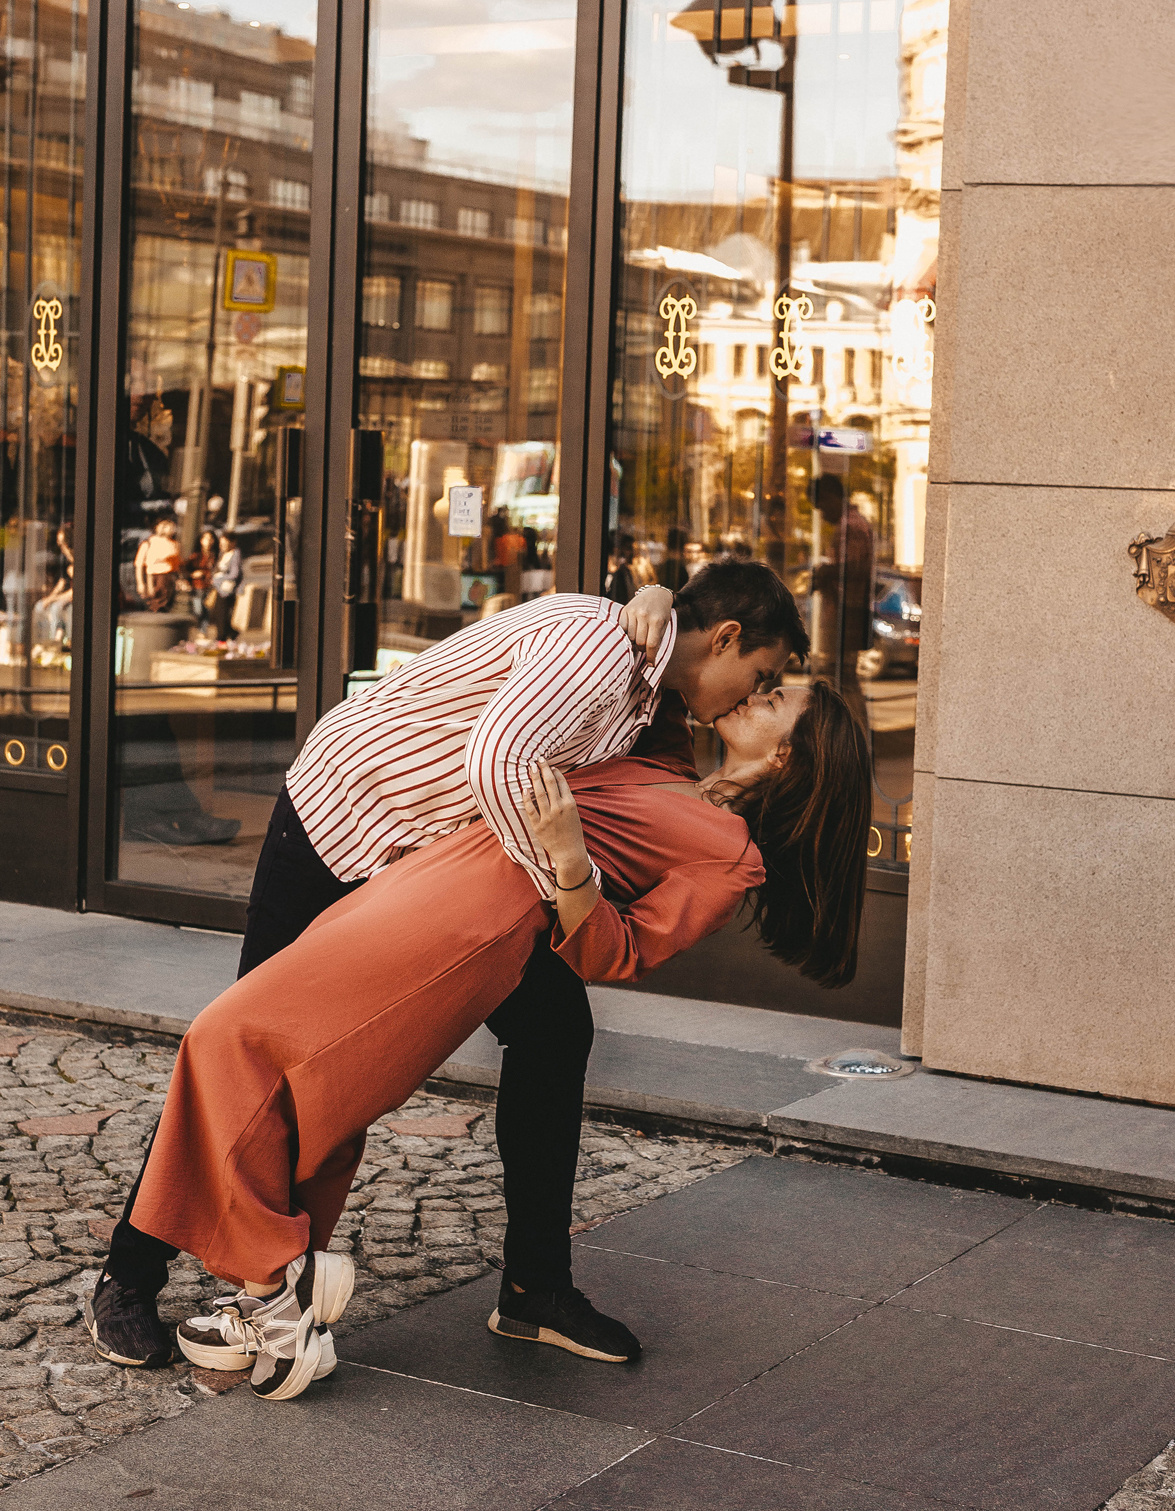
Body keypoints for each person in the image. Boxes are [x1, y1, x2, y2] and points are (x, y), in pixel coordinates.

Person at [86, 568, 808, 1370]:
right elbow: (498, 761)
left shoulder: (648, 684)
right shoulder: (606, 649)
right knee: (247, 1045)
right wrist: (560, 876)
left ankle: (533, 1288)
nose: (752, 693)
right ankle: (131, 1273)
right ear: (727, 637)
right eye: (761, 673)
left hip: (435, 869)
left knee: (554, 1030)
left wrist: (657, 592)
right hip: (342, 827)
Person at [811, 474, 875, 723]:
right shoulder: (853, 524)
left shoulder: (851, 527)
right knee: (841, 678)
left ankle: (855, 733)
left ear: (831, 498)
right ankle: (854, 732)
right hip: (847, 612)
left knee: (841, 678)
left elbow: (854, 569)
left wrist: (825, 572)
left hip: (847, 613)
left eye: (821, 506)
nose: (822, 514)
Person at [33, 524, 73, 647]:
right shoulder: (67, 562)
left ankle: (56, 641)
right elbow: (62, 583)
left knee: (56, 607)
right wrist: (49, 599)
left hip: (71, 600)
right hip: (65, 598)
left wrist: (53, 599)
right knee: (40, 606)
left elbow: (74, 592)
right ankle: (42, 641)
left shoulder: (77, 563)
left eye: (62, 543)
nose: (61, 547)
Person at [134, 519, 180, 613]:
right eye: (164, 525)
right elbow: (139, 564)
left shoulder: (174, 544)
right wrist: (140, 583)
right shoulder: (148, 543)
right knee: (154, 604)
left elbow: (177, 564)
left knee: (166, 605)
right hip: (152, 577)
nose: (168, 528)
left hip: (169, 578)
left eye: (171, 526)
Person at [209, 531, 242, 640]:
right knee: (217, 614)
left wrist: (218, 578)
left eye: (224, 543)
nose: (221, 546)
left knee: (222, 614)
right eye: (221, 543)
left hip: (227, 589)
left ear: (232, 543)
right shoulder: (222, 554)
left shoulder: (235, 554)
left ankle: (221, 637)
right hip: (219, 588)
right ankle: (230, 633)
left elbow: (234, 574)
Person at [185, 528, 219, 627]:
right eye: (206, 538)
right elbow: (186, 569)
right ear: (201, 540)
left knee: (207, 609)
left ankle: (203, 630)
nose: (208, 541)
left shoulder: (215, 555)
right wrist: (193, 574)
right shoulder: (196, 556)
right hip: (198, 585)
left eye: (211, 539)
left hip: (210, 586)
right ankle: (196, 625)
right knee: (198, 609)